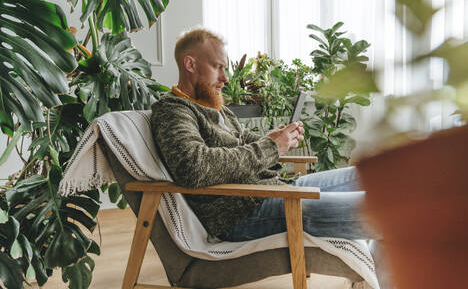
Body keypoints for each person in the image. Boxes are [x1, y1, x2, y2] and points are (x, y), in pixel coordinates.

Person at [150, 27, 378, 243]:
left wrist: (275, 138)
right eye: (217, 67)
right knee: (394, 210)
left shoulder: (217, 108)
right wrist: (271, 147)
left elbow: (247, 142)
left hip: (275, 189)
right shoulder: (173, 110)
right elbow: (194, 167)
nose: (226, 78)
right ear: (190, 63)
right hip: (243, 213)